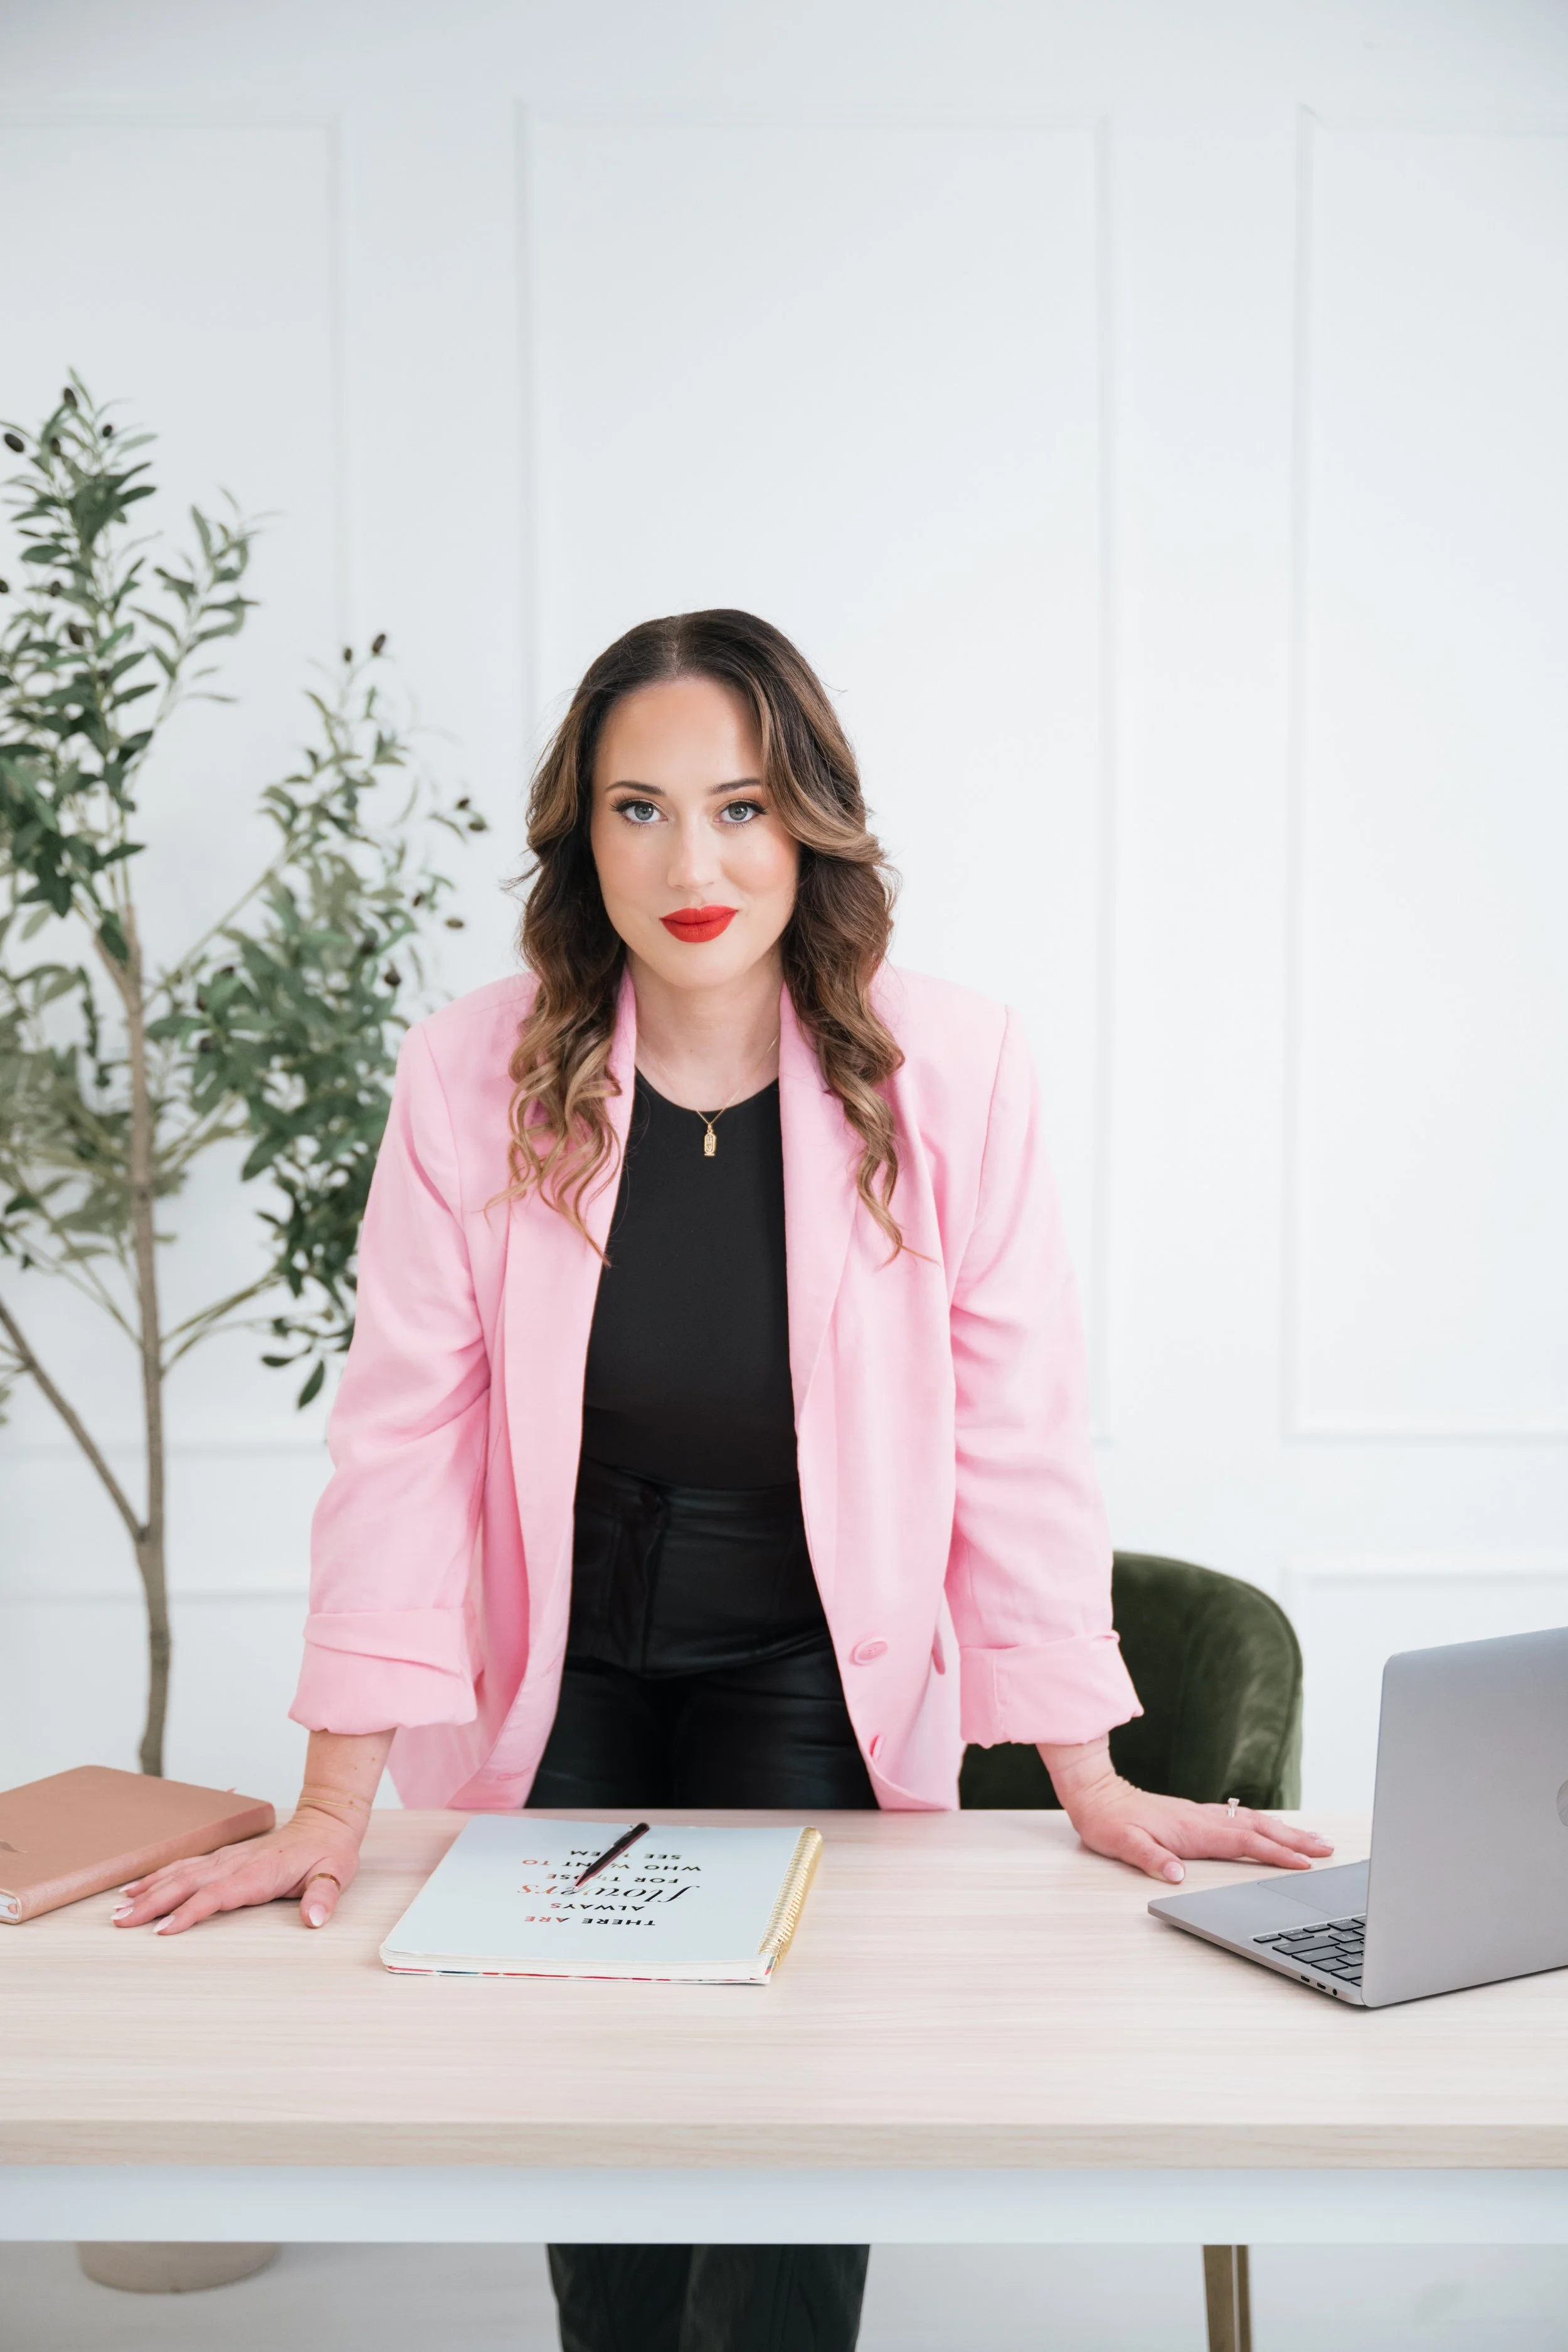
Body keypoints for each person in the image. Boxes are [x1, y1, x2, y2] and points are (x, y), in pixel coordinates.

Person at [115, 610, 1332, 2349]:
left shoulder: (951, 1068)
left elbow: (1015, 1427)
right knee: (601, 2180)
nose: (691, 859)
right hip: (566, 1667)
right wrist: (329, 1802)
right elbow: (401, 1431)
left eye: (741, 805)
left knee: (778, 2171)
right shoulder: (475, 1070)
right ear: (577, 836)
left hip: (800, 1663)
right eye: (637, 808)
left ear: (810, 822)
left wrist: (1087, 1770)